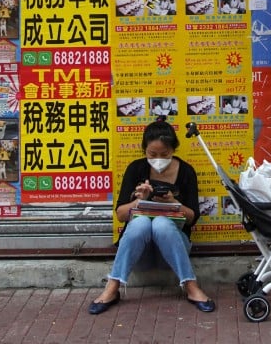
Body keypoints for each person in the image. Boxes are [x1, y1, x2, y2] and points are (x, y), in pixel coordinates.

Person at [88, 117, 216, 315]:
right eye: (152, 154)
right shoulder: (136, 169)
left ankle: (191, 287)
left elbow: (192, 218)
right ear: (144, 151)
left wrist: (173, 202)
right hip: (140, 254)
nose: (158, 158)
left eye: (164, 154)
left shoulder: (186, 172)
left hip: (173, 253)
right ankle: (113, 287)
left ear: (173, 150)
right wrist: (139, 201)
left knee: (161, 224)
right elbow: (121, 214)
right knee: (141, 225)